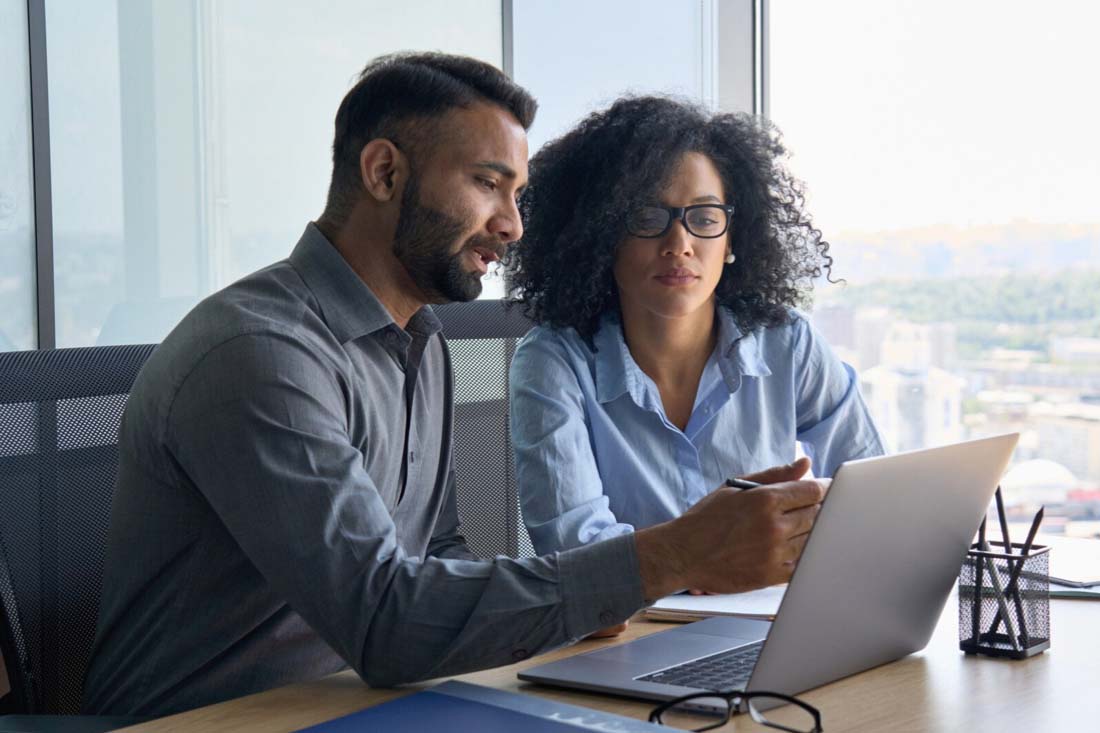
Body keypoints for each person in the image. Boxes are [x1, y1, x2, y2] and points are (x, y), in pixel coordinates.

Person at [82, 55, 827, 717]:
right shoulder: (261, 354)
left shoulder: (421, 341)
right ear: (384, 173)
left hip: (366, 701)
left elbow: (437, 553)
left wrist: (586, 594)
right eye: (487, 184)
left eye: (518, 192)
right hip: (223, 717)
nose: (512, 225)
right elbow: (384, 621)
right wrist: (667, 557)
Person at [506, 96, 884, 565]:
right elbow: (578, 553)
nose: (679, 245)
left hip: (770, 616)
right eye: (647, 218)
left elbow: (872, 493)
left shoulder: (788, 342)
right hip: (632, 629)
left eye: (704, 219)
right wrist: (711, 558)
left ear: (731, 240)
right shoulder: (553, 362)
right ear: (603, 236)